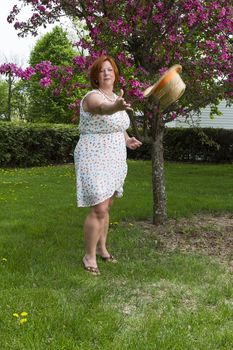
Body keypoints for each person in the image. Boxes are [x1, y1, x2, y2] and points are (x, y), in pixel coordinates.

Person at [74, 55, 142, 275]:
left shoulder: (116, 97)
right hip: (93, 156)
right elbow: (103, 110)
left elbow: (117, 125)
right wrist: (115, 106)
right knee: (99, 207)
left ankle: (102, 248)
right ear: (95, 76)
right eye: (101, 70)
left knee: (107, 205)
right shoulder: (92, 97)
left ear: (115, 73)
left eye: (110, 70)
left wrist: (127, 138)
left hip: (115, 156)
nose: (106, 73)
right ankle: (89, 255)